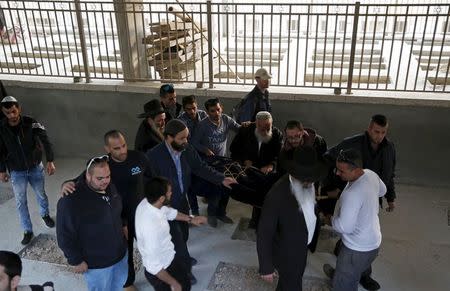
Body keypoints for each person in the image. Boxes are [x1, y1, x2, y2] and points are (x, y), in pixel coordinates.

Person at [146, 119, 237, 282]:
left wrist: (221, 179)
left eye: (187, 137)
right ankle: (184, 273)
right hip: (165, 207)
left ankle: (184, 257)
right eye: (182, 138)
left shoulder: (186, 149)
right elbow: (147, 184)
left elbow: (200, 167)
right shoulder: (153, 156)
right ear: (169, 138)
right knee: (176, 240)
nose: (186, 141)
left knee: (184, 234)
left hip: (181, 200)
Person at [60, 130, 149, 291]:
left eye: (124, 145)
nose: (122, 151)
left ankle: (153, 275)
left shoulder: (137, 159)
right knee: (124, 253)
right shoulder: (101, 169)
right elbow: (77, 182)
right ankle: (128, 283)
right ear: (107, 149)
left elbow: (151, 179)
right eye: (116, 148)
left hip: (140, 216)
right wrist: (64, 184)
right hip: (114, 228)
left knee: (148, 246)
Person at [323, 114, 396, 291]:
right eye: (376, 131)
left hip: (358, 239)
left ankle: (347, 275)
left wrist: (328, 220)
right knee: (359, 231)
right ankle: (345, 271)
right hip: (373, 236)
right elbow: (327, 159)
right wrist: (329, 188)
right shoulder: (353, 147)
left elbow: (344, 227)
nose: (379, 136)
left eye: (383, 132)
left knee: (351, 247)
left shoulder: (389, 148)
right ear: (369, 128)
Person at [257, 146, 326, 291]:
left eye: (311, 177)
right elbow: (264, 232)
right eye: (305, 178)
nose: (309, 183)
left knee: (290, 282)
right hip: (287, 254)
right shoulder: (276, 195)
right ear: (293, 173)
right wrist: (265, 266)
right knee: (293, 285)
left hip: (301, 247)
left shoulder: (308, 182)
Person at [56, 156, 128, 291]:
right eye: (99, 178)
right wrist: (75, 260)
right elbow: (64, 235)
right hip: (97, 265)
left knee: (119, 286)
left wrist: (124, 226)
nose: (105, 181)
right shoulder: (71, 201)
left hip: (120, 255)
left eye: (108, 176)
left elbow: (118, 209)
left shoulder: (111, 186)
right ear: (88, 176)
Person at [322, 149, 386, 291]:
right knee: (358, 267)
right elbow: (383, 191)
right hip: (373, 242)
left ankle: (343, 278)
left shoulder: (352, 194)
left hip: (355, 248)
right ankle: (344, 274)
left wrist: (329, 220)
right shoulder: (370, 174)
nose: (337, 173)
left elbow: (344, 227)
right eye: (336, 169)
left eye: (341, 171)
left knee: (344, 285)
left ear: (356, 170)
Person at [0, 96, 55, 245]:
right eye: (7, 113)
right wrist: (2, 170)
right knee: (20, 202)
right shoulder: (1, 128)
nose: (11, 115)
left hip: (35, 167)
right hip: (16, 172)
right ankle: (27, 230)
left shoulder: (31, 122)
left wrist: (50, 160)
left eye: (13, 111)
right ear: (3, 113)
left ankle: (45, 215)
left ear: (19, 109)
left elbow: (45, 139)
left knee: (41, 194)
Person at [135, 176, 207, 291]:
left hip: (169, 257)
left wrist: (191, 219)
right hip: (162, 271)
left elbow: (168, 212)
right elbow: (153, 266)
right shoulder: (151, 228)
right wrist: (173, 283)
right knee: (182, 286)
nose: (171, 193)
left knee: (185, 282)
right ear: (162, 198)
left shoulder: (147, 202)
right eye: (170, 192)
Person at [191, 98, 240, 226]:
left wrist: (247, 126)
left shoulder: (226, 120)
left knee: (227, 188)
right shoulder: (202, 125)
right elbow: (194, 143)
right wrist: (205, 149)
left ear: (221, 108)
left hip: (223, 161)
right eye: (212, 111)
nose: (216, 113)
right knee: (215, 189)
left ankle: (221, 213)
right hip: (210, 163)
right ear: (207, 112)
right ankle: (212, 215)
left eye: (218, 110)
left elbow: (238, 129)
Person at [230, 111, 283, 228]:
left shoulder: (277, 134)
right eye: (261, 127)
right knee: (253, 194)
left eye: (267, 127)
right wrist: (245, 160)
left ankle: (259, 221)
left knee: (265, 194)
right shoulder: (245, 130)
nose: (264, 131)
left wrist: (271, 165)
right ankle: (256, 220)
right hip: (249, 169)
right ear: (256, 124)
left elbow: (278, 155)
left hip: (266, 171)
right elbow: (234, 149)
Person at [177, 95, 208, 215]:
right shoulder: (180, 121)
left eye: (194, 108)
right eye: (189, 109)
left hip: (203, 152)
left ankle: (207, 196)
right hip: (188, 155)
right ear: (184, 109)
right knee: (190, 184)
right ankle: (195, 210)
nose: (192, 111)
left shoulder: (203, 115)